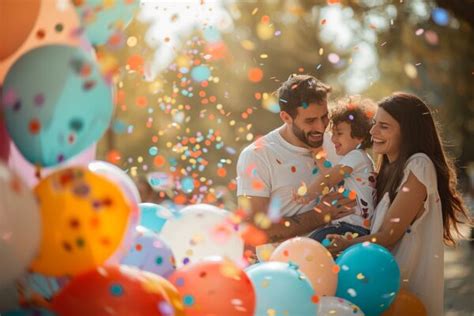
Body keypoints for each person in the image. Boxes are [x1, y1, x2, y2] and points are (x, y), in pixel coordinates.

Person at [325, 92, 471, 316]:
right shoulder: (387, 170)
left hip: (406, 295)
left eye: (384, 126)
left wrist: (346, 245)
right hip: (382, 290)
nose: (373, 132)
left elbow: (388, 235)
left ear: (408, 132)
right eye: (375, 124)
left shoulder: (419, 165)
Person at [236, 74, 356, 259]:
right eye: (310, 121)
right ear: (286, 117)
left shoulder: (338, 142)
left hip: (345, 264)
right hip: (287, 273)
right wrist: (319, 216)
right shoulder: (257, 155)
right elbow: (253, 231)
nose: (321, 127)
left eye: (325, 117)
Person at [293, 98, 377, 243]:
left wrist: (307, 195)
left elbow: (329, 179)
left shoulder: (356, 156)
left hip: (350, 229)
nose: (332, 139)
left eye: (339, 133)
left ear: (360, 137)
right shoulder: (357, 160)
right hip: (352, 229)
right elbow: (330, 174)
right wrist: (317, 153)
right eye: (333, 133)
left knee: (310, 245)